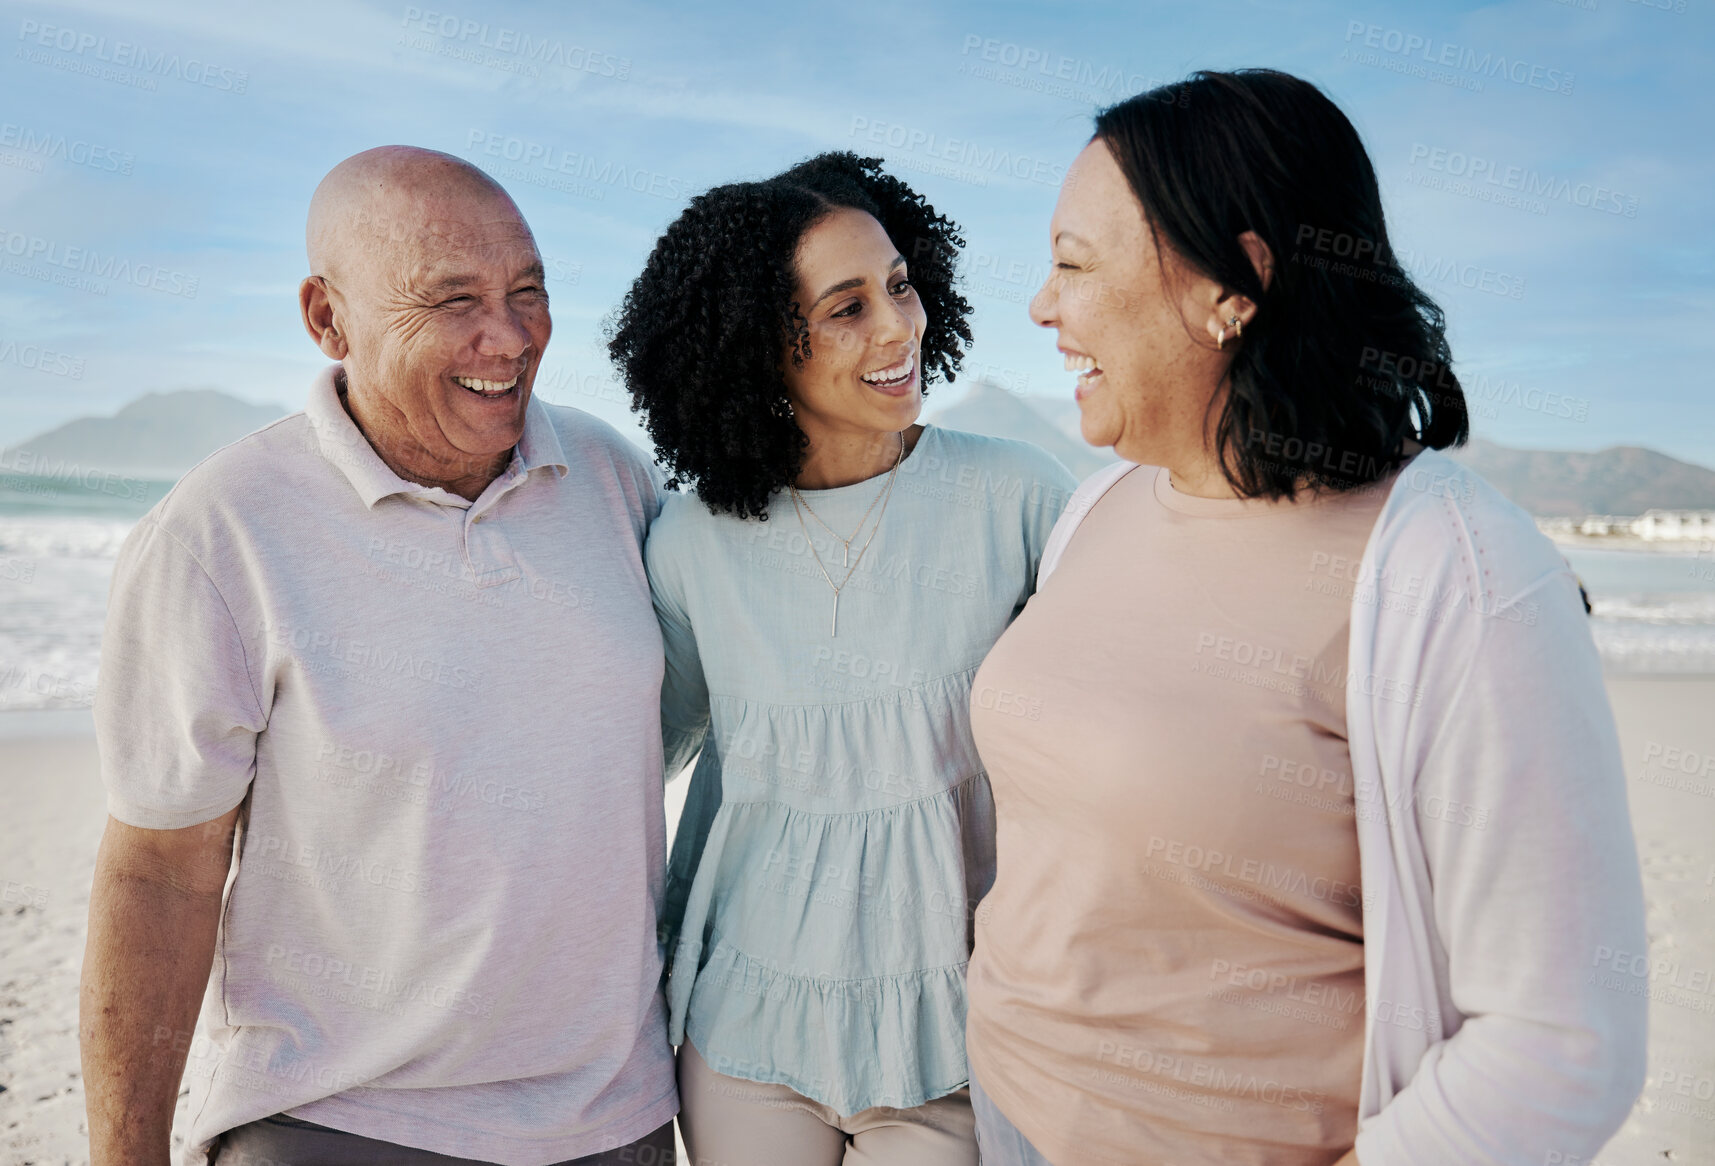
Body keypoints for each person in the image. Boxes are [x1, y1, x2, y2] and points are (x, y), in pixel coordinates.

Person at [962, 71, 1648, 1166]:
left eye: (1073, 265)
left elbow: (1558, 1039)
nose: (1042, 307)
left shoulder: (1455, 575)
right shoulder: (1094, 507)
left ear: (1233, 286)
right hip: (1001, 1115)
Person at [80, 146, 678, 1165]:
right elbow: (159, 876)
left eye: (527, 289)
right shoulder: (220, 532)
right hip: (336, 1120)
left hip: (614, 1125)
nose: (511, 335)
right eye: (453, 300)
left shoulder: (612, 478)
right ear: (327, 318)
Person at [607, 151, 1076, 1166]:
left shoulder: (1017, 497)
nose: (898, 327)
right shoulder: (690, 541)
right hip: (743, 1022)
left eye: (900, 286)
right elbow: (632, 753)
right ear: (752, 346)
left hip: (961, 1024)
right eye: (846, 307)